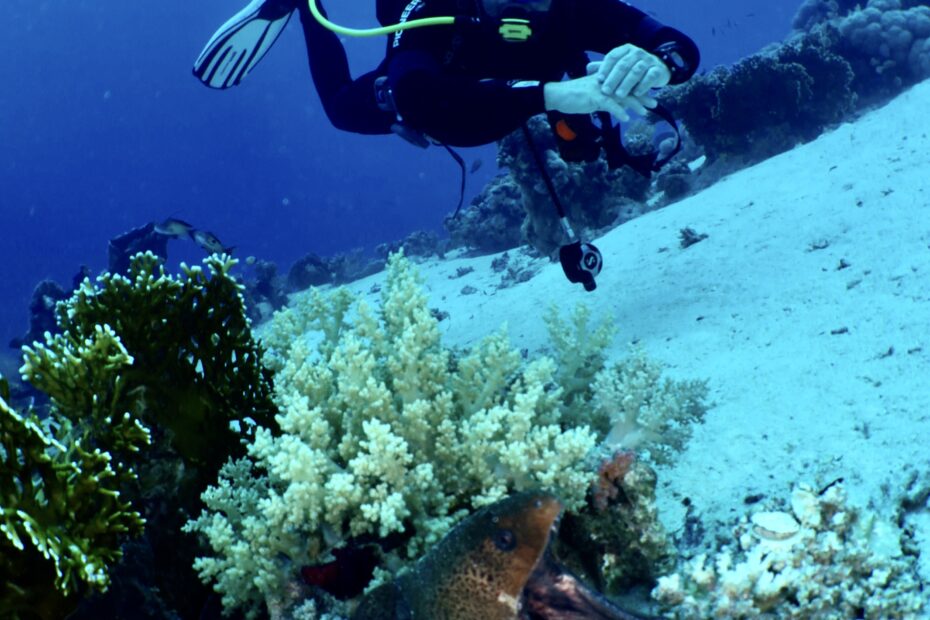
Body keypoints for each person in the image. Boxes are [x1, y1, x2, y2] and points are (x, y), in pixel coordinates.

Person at [193, 0, 699, 148]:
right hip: (439, 74)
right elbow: (419, 99)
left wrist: (658, 63)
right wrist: (555, 95)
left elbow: (678, 47)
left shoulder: (573, 8)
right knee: (343, 110)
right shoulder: (434, 9)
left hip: (518, 89)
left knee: (582, 147)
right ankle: (305, 5)